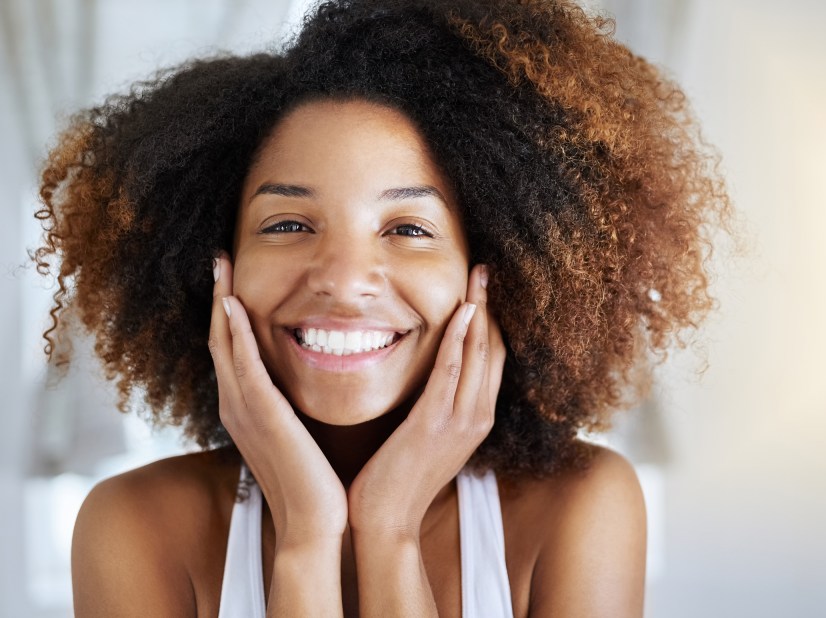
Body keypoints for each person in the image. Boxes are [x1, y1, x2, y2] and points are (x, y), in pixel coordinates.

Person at [34, 0, 729, 615]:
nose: (343, 280)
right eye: (287, 224)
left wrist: (389, 528)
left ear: (494, 271)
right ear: (214, 266)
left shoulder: (581, 508)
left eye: (408, 230)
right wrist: (305, 540)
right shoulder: (134, 527)